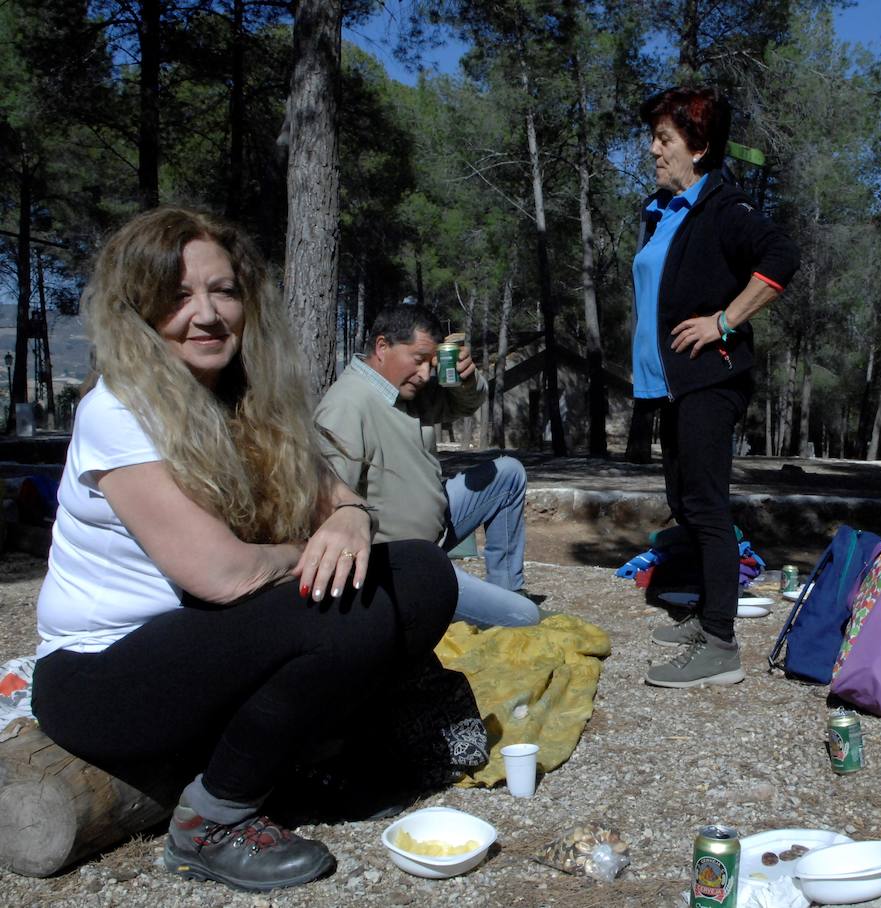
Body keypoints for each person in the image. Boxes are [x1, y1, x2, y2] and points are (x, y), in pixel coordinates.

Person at [30, 208, 457, 892]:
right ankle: (212, 820)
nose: (205, 314)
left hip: (203, 650)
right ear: (138, 308)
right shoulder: (119, 408)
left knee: (423, 574)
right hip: (102, 681)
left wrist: (347, 519)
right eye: (177, 295)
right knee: (345, 605)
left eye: (222, 290)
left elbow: (336, 497)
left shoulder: (246, 398)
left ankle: (305, 752)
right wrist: (313, 553)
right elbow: (223, 575)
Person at [632, 86, 799, 689]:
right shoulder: (663, 209)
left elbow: (781, 256)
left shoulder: (724, 208)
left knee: (705, 507)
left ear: (699, 148)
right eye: (654, 137)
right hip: (673, 387)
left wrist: (725, 320)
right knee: (684, 501)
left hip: (711, 380)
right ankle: (707, 615)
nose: (653, 149)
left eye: (665, 140)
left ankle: (721, 646)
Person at [315, 304, 539, 628]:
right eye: (418, 360)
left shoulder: (404, 392)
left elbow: (466, 403)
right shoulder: (347, 406)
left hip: (439, 527)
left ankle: (506, 587)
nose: (424, 374)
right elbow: (329, 511)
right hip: (401, 564)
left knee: (508, 474)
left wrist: (466, 378)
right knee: (525, 617)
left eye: (430, 364)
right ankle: (492, 606)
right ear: (382, 347)